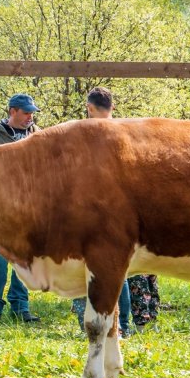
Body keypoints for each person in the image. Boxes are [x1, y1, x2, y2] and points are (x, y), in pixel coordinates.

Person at [71, 88, 133, 333]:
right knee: (118, 270)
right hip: (120, 211)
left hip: (89, 210)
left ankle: (87, 322)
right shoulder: (125, 132)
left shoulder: (83, 134)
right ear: (112, 108)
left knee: (86, 269)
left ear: (89, 108)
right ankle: (123, 325)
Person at [0, 94, 40, 323]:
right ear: (12, 111)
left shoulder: (36, 135)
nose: (30, 117)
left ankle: (20, 305)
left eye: (32, 113)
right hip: (0, 210)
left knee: (24, 260)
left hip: (28, 208)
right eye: (26, 113)